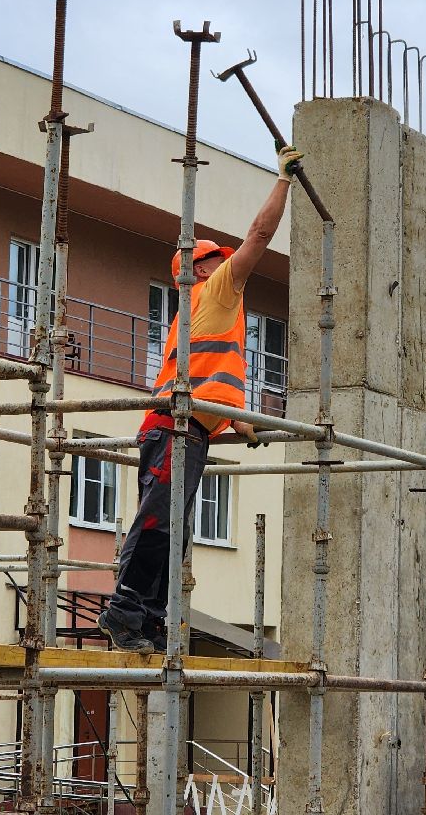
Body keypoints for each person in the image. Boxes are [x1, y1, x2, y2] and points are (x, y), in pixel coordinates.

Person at [97, 144, 303, 653]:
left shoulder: (198, 312)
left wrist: (238, 423)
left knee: (172, 528)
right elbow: (259, 235)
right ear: (204, 268)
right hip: (173, 429)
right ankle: (125, 608)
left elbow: (210, 384)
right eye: (219, 261)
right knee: (158, 519)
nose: (231, 266)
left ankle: (146, 617)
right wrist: (285, 182)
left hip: (188, 427)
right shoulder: (214, 293)